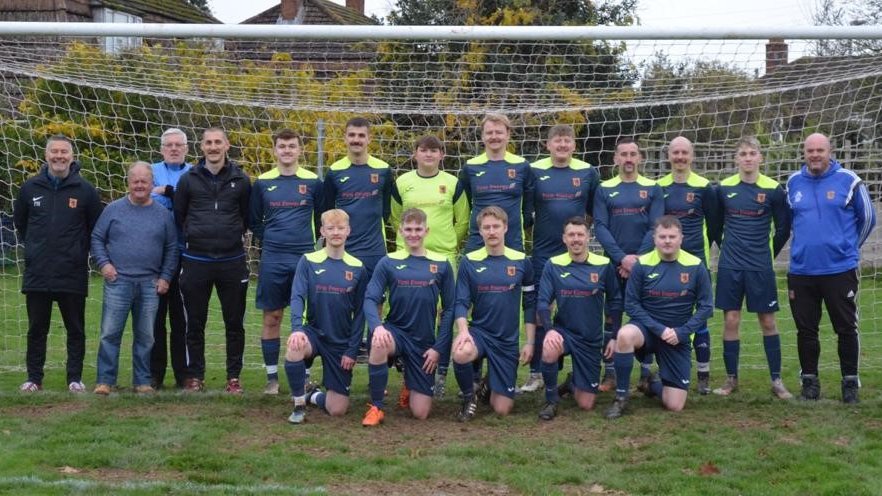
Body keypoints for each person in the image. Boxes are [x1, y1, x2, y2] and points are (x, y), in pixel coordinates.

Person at [786, 133, 876, 403]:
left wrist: (848, 249)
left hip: (840, 270)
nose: (815, 155)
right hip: (802, 272)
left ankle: (850, 384)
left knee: (846, 328)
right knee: (806, 331)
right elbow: (789, 222)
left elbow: (869, 218)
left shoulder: (849, 180)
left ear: (830, 151)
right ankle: (809, 384)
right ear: (804, 152)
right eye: (810, 150)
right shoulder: (792, 183)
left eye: (820, 150)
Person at [14, 135, 102, 393]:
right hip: (38, 272)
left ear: (72, 157)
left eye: (64, 151)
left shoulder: (85, 190)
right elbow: (22, 225)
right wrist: (35, 249)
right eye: (55, 151)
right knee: (36, 330)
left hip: (71, 272)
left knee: (76, 329)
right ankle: (34, 378)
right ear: (46, 155)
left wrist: (75, 252)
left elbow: (94, 227)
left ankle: (74, 378)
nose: (59, 156)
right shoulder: (30, 188)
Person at [604, 216, 713, 418]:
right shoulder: (642, 265)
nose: (667, 241)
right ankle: (621, 397)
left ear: (681, 238)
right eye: (662, 236)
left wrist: (682, 332)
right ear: (654, 239)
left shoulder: (696, 265)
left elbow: (706, 307)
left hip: (676, 336)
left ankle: (651, 384)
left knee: (674, 405)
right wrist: (659, 329)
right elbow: (631, 305)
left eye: (672, 236)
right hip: (647, 330)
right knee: (624, 335)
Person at [520, 124, 599, 394]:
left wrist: (575, 237)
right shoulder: (534, 170)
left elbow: (591, 212)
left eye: (567, 141)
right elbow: (528, 212)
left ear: (574, 145)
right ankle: (537, 373)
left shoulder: (588, 172)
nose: (562, 145)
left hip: (575, 254)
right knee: (542, 309)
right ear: (548, 145)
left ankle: (579, 368)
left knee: (578, 305)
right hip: (543, 252)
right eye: (558, 141)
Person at [713, 136, 792, 399]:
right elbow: (715, 226)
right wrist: (727, 247)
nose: (748, 158)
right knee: (731, 319)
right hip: (731, 265)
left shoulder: (773, 189)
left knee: (768, 321)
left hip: (759, 266)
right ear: (736, 159)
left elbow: (783, 228)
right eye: (743, 153)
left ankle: (776, 380)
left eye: (752, 153)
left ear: (760, 157)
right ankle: (731, 379)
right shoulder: (723, 189)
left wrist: (768, 252)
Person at [389, 135, 469, 398]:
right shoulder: (402, 183)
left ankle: (441, 372)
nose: (429, 155)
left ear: (442, 155)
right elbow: (395, 217)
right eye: (423, 150)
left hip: (443, 257)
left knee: (444, 315)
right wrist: (408, 244)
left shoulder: (453, 183)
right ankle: (409, 369)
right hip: (408, 258)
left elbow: (462, 220)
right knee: (410, 313)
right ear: (415, 154)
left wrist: (446, 246)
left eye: (434, 151)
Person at [173, 127, 252, 393]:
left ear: (227, 145)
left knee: (234, 322)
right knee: (194, 322)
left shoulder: (241, 179)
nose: (214, 147)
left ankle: (233, 377)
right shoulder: (188, 179)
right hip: (196, 260)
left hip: (232, 260)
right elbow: (179, 216)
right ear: (202, 147)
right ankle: (195, 375)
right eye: (209, 142)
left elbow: (246, 217)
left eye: (218, 142)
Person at [361, 208, 455, 426]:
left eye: (418, 229)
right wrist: (378, 327)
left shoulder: (441, 264)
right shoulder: (388, 262)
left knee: (420, 413)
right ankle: (376, 407)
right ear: (401, 231)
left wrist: (438, 349)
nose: (413, 234)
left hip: (424, 342)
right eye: (409, 229)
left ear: (427, 231)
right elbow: (370, 298)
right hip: (396, 333)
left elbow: (450, 309)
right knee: (378, 342)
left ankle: (410, 384)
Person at [91, 162, 178, 395]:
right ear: (128, 183)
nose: (140, 185)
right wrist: (104, 264)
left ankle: (142, 381)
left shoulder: (163, 214)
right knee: (110, 333)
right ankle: (104, 381)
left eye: (144, 181)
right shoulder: (113, 209)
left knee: (146, 336)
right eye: (135, 181)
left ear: (152, 184)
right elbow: (97, 238)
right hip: (118, 281)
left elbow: (172, 248)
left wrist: (165, 277)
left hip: (150, 284)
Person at [250, 129, 323, 395]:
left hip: (304, 258)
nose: (287, 151)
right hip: (272, 259)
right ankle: (272, 379)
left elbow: (321, 218)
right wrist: (272, 240)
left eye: (292, 146)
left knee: (303, 319)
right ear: (275, 150)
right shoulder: (262, 182)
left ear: (300, 150)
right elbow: (255, 220)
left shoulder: (314, 181)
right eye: (282, 146)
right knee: (273, 316)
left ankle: (302, 375)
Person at [451, 206, 536, 421]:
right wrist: (463, 331)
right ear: (480, 231)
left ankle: (488, 383)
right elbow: (460, 302)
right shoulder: (469, 261)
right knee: (461, 352)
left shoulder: (521, 261)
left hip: (506, 341)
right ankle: (469, 397)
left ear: (505, 228)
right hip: (479, 334)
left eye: (496, 226)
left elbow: (529, 304)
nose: (491, 231)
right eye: (486, 227)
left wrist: (530, 342)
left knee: (502, 408)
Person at [283, 209, 368, 424]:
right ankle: (299, 404)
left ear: (348, 231)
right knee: (294, 347)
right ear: (322, 231)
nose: (336, 233)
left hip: (340, 341)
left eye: (340, 228)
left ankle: (314, 395)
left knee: (337, 409)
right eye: (330, 228)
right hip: (313, 333)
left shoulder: (358, 268)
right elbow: (297, 297)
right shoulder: (308, 261)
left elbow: (360, 314)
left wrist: (352, 350)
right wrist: (297, 329)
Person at [593, 137, 664, 391]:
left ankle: (646, 374)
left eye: (633, 154)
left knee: (644, 316)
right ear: (615, 159)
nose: (629, 159)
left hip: (645, 266)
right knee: (611, 317)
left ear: (640, 158)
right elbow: (600, 226)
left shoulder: (653, 188)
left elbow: (656, 226)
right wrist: (621, 258)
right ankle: (610, 373)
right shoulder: (604, 189)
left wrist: (636, 260)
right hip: (614, 265)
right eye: (623, 154)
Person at [536, 217, 621, 420]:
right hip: (563, 332)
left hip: (590, 338)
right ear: (564, 238)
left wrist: (615, 336)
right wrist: (549, 330)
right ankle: (551, 400)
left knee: (586, 404)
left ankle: (572, 383)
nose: (576, 239)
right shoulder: (553, 264)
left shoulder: (603, 265)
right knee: (549, 348)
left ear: (588, 237)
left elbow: (616, 301)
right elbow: (542, 302)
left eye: (580, 234)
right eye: (571, 235)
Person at [656, 136, 719, 394]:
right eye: (675, 153)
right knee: (662, 312)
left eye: (684, 152)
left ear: (691, 156)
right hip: (665, 260)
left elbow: (715, 225)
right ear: (669, 156)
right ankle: (657, 370)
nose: (680, 157)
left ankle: (703, 373)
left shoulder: (705, 187)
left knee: (700, 315)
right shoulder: (658, 187)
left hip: (696, 262)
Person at [149, 127, 192, 390]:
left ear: (187, 148)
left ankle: (184, 374)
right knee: (154, 318)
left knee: (182, 318)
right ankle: (154, 374)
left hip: (187, 256)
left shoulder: (194, 172)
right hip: (154, 255)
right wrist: (170, 194)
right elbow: (143, 196)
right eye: (169, 145)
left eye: (179, 145)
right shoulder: (149, 170)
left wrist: (167, 192)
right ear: (161, 148)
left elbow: (189, 203)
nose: (174, 148)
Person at [459, 113, 535, 252]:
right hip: (478, 239)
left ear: (508, 134)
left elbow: (528, 205)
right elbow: (466, 203)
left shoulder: (522, 166)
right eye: (489, 133)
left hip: (513, 238)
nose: (494, 136)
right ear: (482, 136)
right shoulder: (470, 167)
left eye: (499, 132)